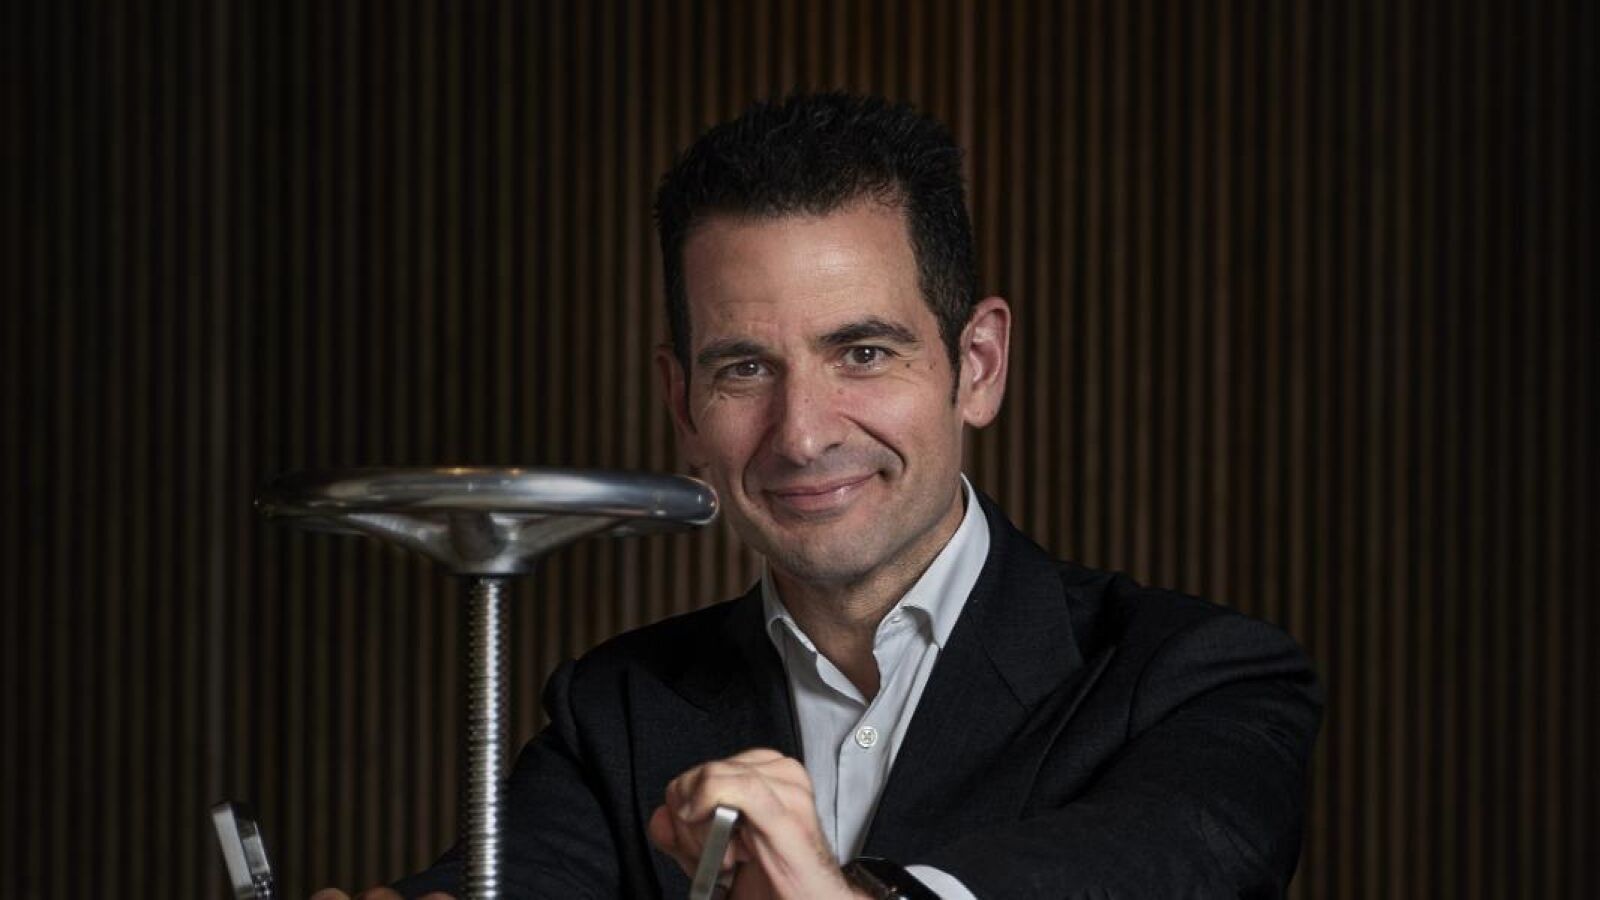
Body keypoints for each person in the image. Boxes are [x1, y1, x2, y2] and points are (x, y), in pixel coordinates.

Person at [315, 92, 1321, 900]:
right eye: (744, 369)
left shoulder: (1198, 678)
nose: (802, 433)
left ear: (976, 365)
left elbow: (1164, 865)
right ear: (682, 403)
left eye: (863, 352)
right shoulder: (614, 710)